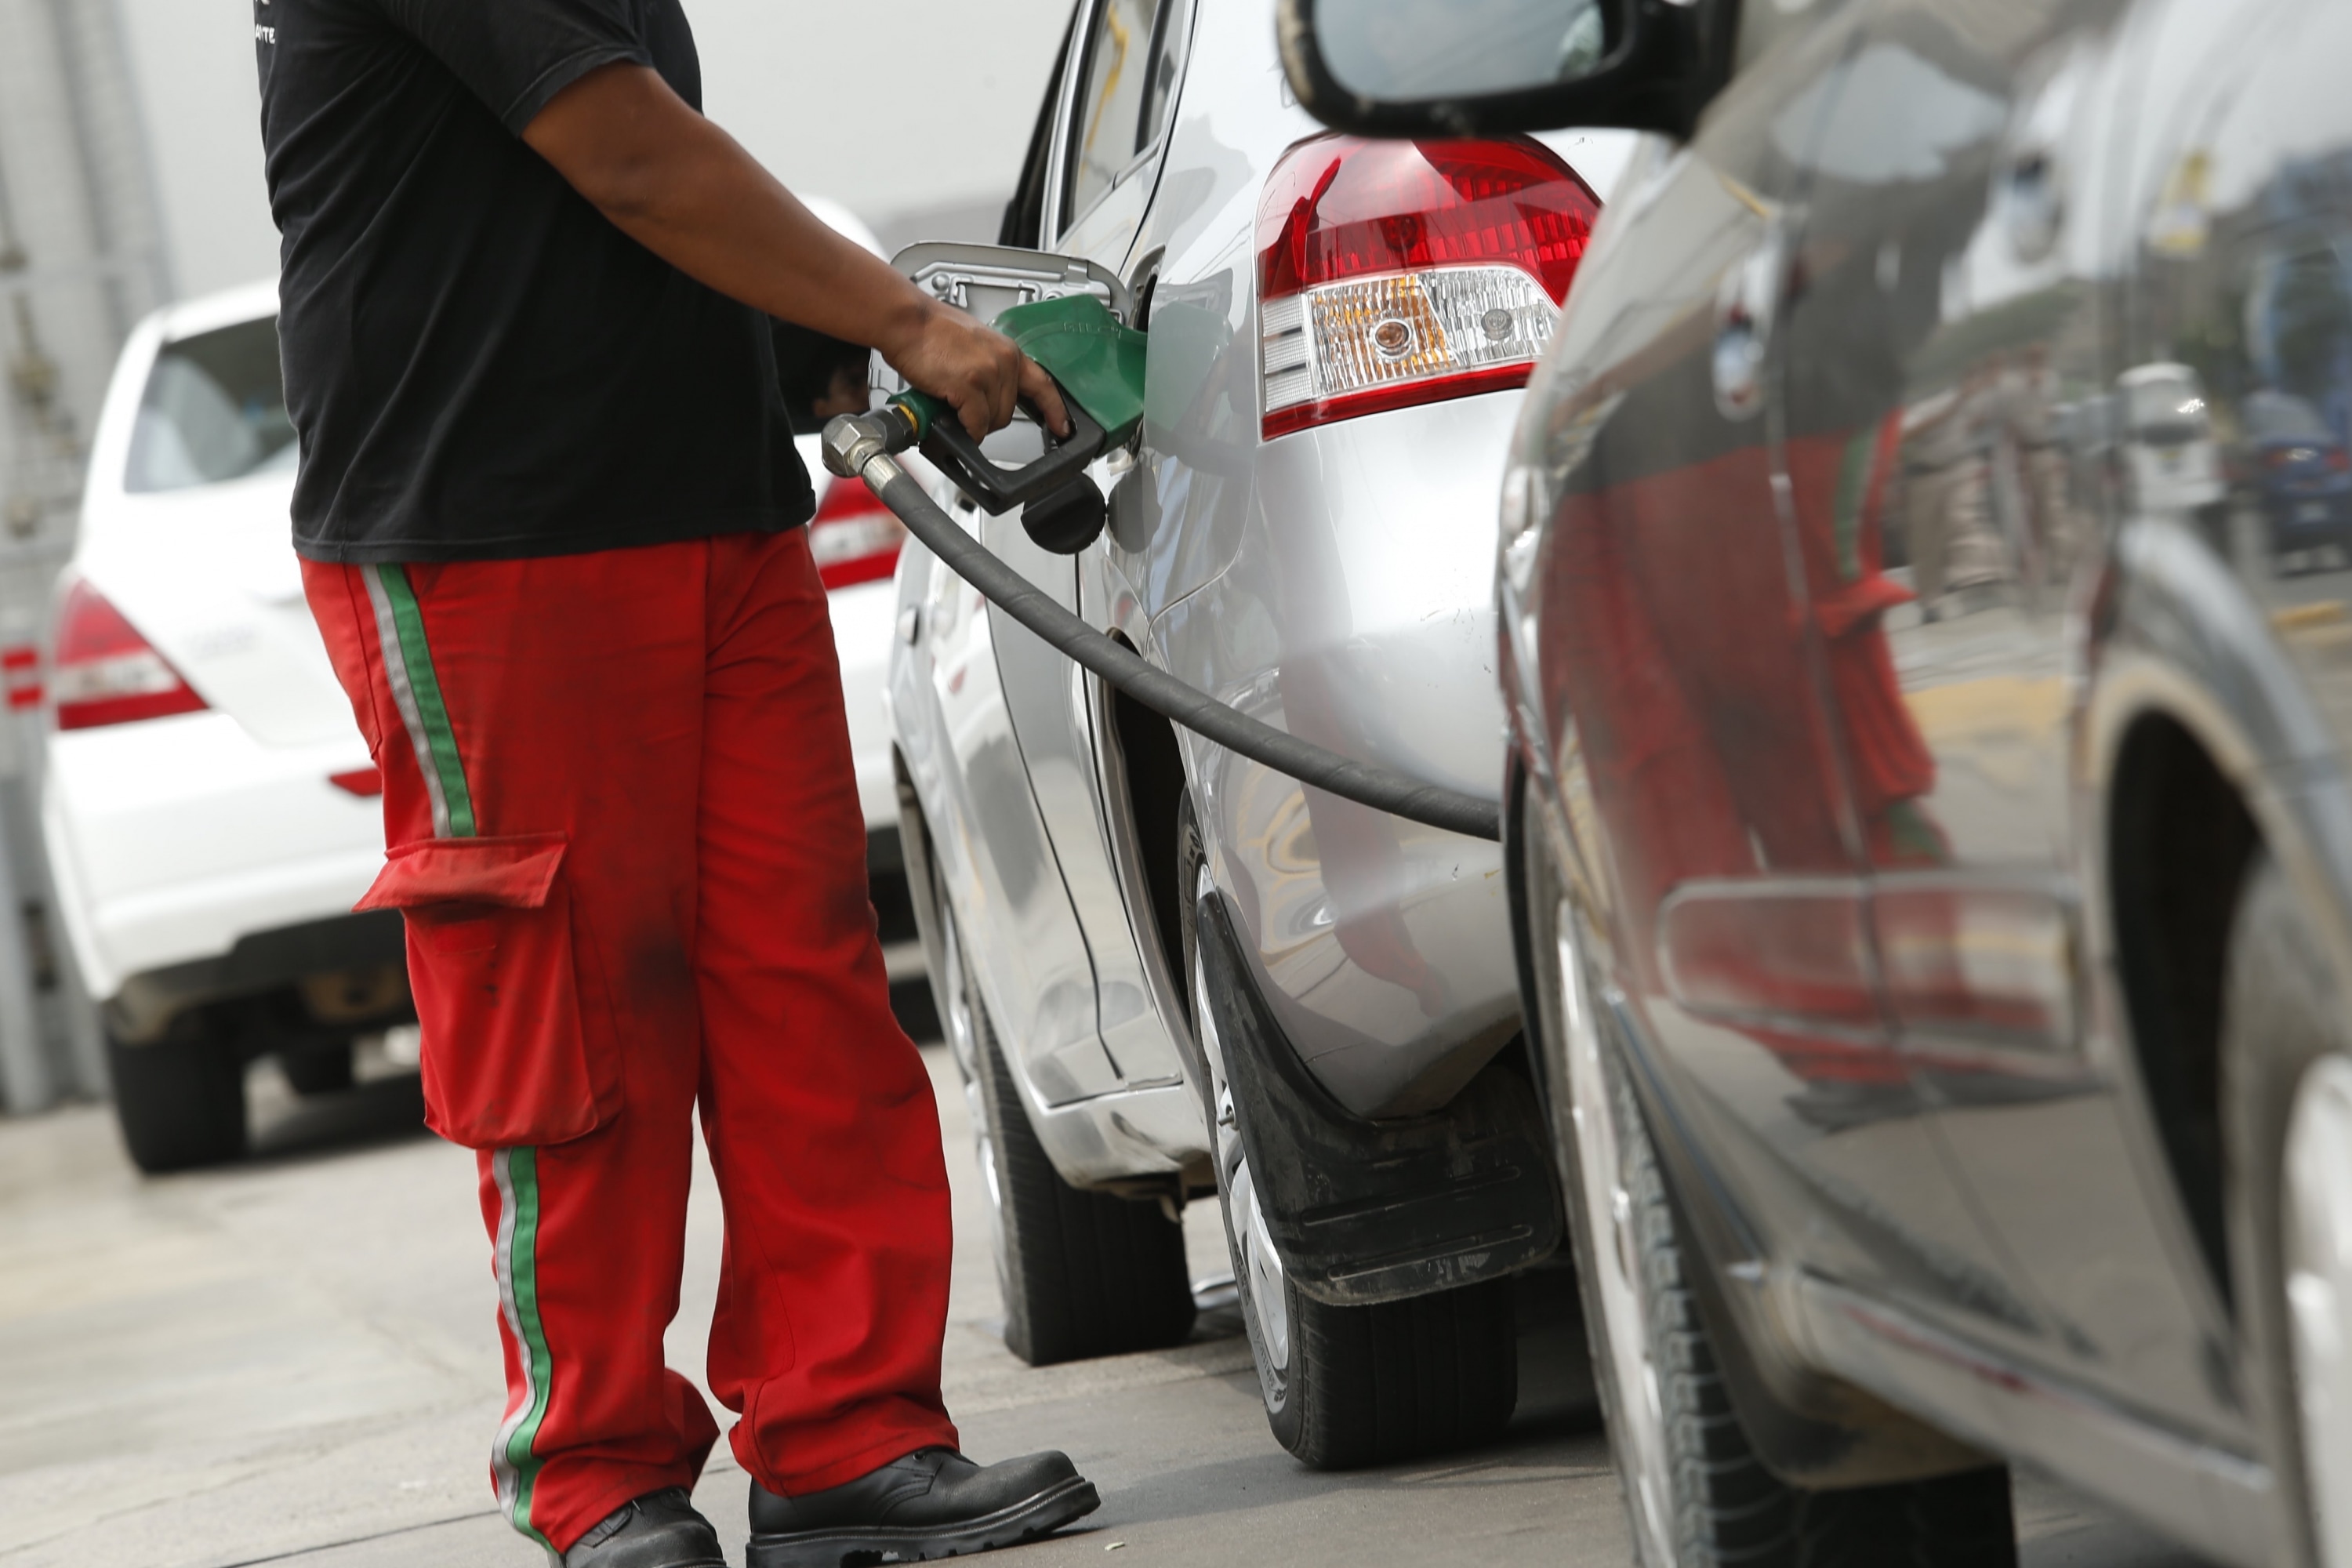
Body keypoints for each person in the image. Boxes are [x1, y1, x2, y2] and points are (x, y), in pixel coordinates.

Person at [254, 3, 1092, 1565]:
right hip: (481, 532)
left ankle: (848, 1435)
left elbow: (615, 202)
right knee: (568, 1007)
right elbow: (625, 156)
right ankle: (598, 1472)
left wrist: (811, 347)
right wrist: (906, 318)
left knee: (806, 986)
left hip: (712, 509)